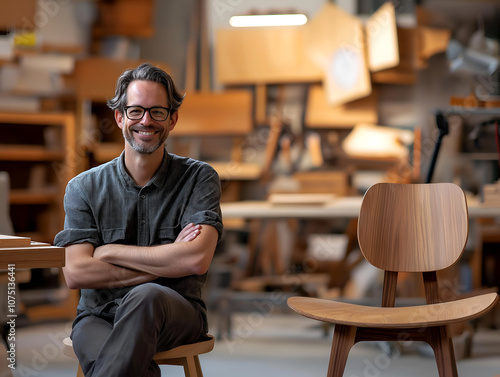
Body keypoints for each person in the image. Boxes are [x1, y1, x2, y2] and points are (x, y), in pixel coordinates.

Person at [54, 63, 223, 377]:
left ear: (172, 119)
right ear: (120, 117)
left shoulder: (199, 178)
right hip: (98, 316)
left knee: (147, 297)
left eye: (157, 111)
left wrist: (109, 252)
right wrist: (168, 261)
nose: (146, 121)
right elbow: (76, 272)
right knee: (124, 363)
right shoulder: (83, 188)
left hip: (175, 312)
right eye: (135, 111)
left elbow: (197, 259)